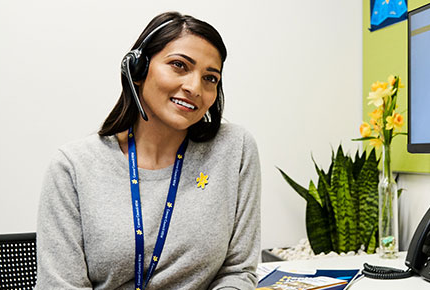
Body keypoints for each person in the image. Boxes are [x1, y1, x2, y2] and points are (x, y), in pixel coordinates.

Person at [36, 11, 261, 289]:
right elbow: (59, 285)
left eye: (210, 78)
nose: (194, 87)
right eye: (179, 65)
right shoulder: (73, 166)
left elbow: (238, 272)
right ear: (138, 71)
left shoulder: (234, 148)